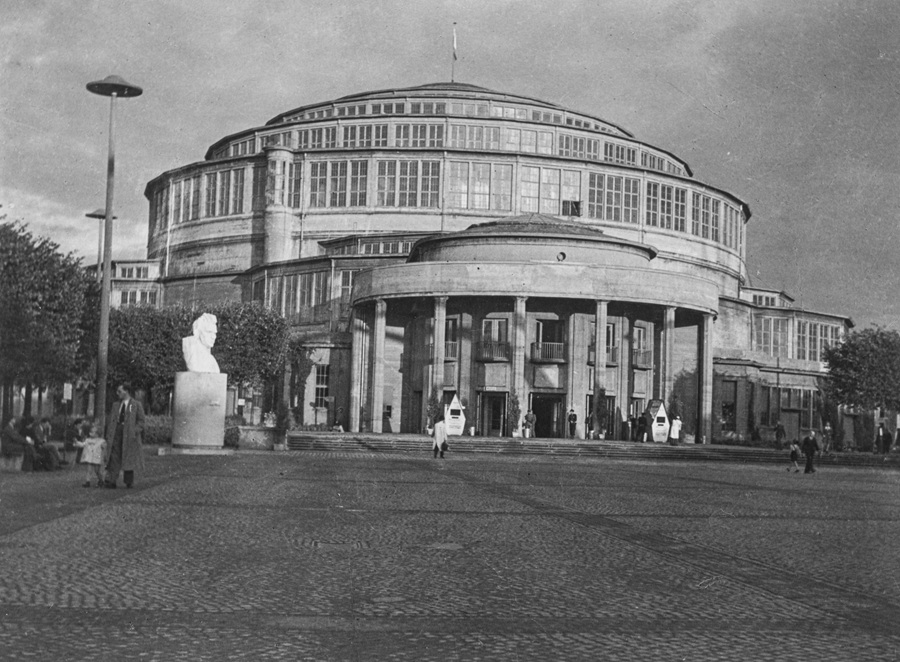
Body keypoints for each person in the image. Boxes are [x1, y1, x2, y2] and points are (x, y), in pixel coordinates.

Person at [104, 382, 145, 489]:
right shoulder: (116, 405)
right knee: (114, 455)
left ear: (126, 391)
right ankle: (112, 480)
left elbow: (141, 421)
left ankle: (129, 481)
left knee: (129, 456)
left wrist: (134, 431)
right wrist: (108, 434)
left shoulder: (135, 405)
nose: (117, 393)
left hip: (129, 434)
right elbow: (111, 420)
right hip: (116, 432)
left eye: (120, 391)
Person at [75, 422, 106, 488]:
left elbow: (104, 448)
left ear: (98, 434)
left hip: (97, 458)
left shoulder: (101, 441)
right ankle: (87, 481)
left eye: (93, 432)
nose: (91, 433)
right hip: (89, 458)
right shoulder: (88, 440)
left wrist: (104, 451)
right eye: (90, 431)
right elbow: (83, 444)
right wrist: (77, 442)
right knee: (88, 470)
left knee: (98, 471)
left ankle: (101, 480)